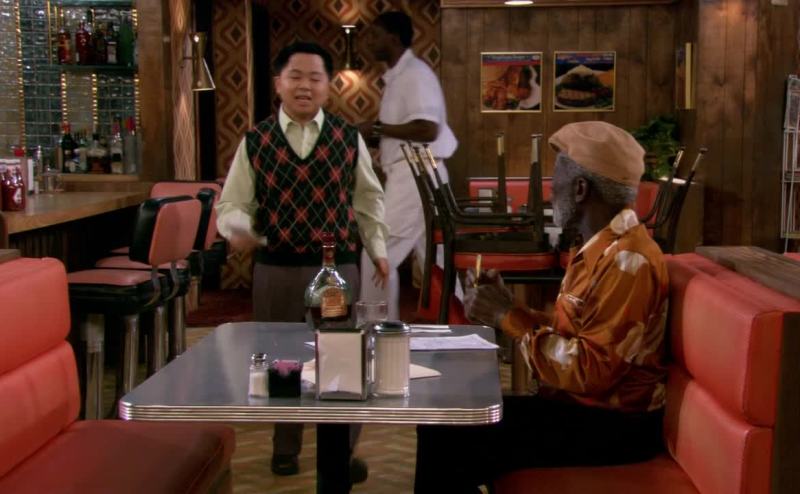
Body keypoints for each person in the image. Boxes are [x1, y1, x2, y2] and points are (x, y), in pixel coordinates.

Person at [414, 121, 670, 493]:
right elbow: (584, 331)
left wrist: (507, 316)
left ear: (580, 189)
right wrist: (508, 309)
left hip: (613, 426)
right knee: (444, 420)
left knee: (448, 435)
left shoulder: (628, 260)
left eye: (556, 180)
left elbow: (590, 372)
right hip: (583, 411)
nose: (550, 193)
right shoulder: (603, 246)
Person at [215, 41, 389, 481]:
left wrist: (378, 250)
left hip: (337, 269)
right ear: (278, 84)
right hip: (276, 267)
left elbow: (368, 200)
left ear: (328, 86)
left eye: (315, 78)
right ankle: (285, 447)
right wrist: (239, 228)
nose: (305, 86)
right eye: (295, 77)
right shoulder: (256, 141)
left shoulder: (347, 138)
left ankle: (341, 452)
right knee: (283, 360)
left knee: (342, 358)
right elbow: (232, 203)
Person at [357, 11, 458, 320]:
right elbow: (405, 132)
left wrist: (377, 129)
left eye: (374, 35)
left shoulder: (415, 74)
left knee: (377, 251)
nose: (368, 42)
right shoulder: (399, 77)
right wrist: (374, 136)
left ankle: (375, 326)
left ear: (394, 38)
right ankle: (459, 323)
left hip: (416, 174)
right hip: (418, 171)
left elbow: (427, 129)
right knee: (437, 257)